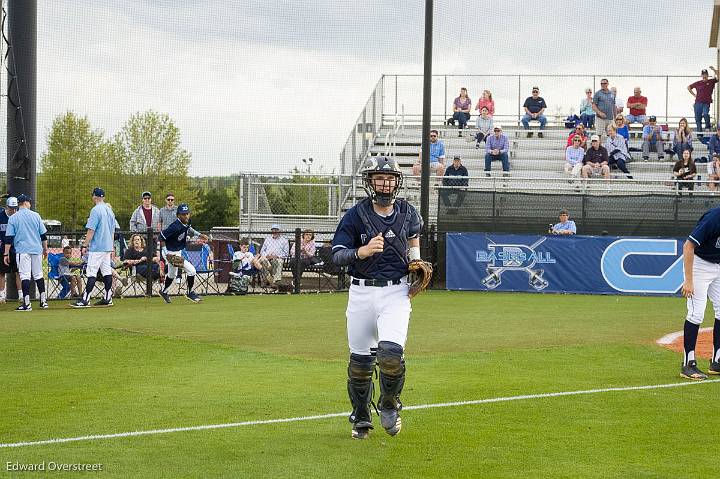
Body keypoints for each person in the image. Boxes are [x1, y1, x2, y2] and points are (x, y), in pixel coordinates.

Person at [331, 156, 423, 440]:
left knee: (391, 355)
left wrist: (417, 264)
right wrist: (362, 251)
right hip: (360, 292)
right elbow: (336, 255)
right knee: (360, 363)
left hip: (397, 291)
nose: (385, 183)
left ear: (397, 182)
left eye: (390, 178)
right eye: (379, 178)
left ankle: (389, 403)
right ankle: (360, 416)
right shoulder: (355, 215)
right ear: (370, 182)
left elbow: (413, 240)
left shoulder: (408, 212)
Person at [679, 205, 720, 380]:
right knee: (696, 314)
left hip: (718, 265)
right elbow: (688, 246)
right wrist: (689, 280)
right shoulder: (714, 217)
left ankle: (717, 361)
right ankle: (688, 364)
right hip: (700, 265)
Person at [71, 188, 117, 308]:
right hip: (107, 246)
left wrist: (85, 244)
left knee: (91, 272)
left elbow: (91, 230)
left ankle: (85, 299)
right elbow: (112, 231)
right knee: (106, 272)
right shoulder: (109, 210)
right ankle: (108, 297)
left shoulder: (95, 210)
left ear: (94, 197)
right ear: (103, 197)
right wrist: (111, 246)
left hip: (97, 247)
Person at [3, 194, 48, 311]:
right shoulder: (36, 215)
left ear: (19, 204)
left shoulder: (13, 218)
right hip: (37, 249)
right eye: (29, 202)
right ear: (27, 203)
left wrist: (5, 254)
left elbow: (9, 238)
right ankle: (43, 301)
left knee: (25, 276)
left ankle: (27, 303)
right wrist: (45, 249)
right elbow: (43, 235)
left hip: (22, 250)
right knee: (38, 275)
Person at [158, 203, 209, 303]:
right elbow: (161, 237)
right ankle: (190, 293)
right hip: (170, 253)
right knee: (192, 270)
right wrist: (166, 253)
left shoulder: (186, 222)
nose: (186, 216)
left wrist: (200, 235)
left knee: (172, 275)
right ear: (178, 215)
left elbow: (188, 228)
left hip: (177, 251)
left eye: (187, 213)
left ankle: (164, 291)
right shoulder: (175, 226)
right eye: (183, 214)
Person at [0, 196, 21, 303]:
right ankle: (1, 295)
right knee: (1, 272)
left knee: (18, 272)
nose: (13, 210)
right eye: (11, 208)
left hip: (16, 248)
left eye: (15, 208)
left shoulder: (18, 217)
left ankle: (21, 295)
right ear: (7, 206)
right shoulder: (1, 216)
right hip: (2, 248)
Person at [687, 67, 719, 134]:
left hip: (706, 103)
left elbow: (718, 77)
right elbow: (689, 87)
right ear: (701, 75)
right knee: (698, 119)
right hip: (698, 103)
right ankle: (699, 134)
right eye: (703, 74)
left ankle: (707, 127)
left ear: (707, 75)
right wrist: (694, 95)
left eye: (706, 74)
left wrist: (714, 70)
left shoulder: (711, 81)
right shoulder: (698, 83)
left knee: (705, 114)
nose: (704, 76)